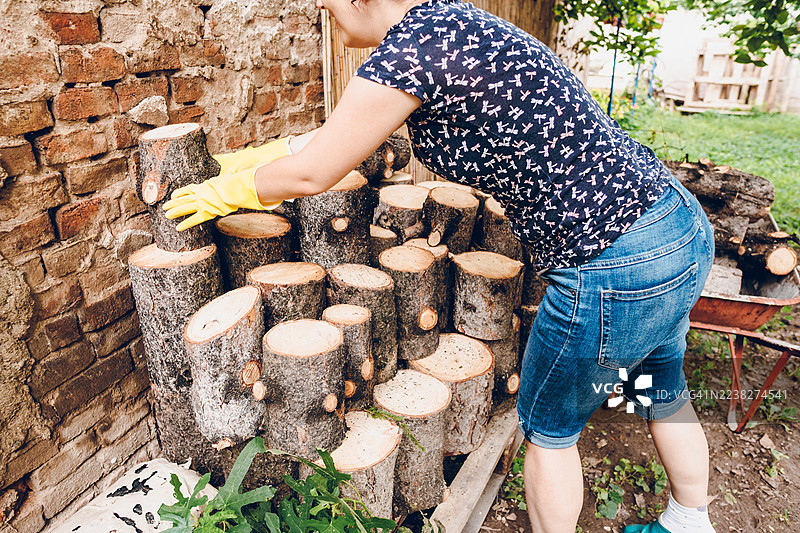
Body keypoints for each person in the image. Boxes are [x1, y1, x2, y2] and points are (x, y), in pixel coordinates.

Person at [163, 1, 717, 531]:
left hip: (613, 262)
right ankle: (690, 521)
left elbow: (313, 174)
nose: (321, 8)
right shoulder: (449, 26)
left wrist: (228, 191)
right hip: (675, 229)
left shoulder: (410, 51)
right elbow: (334, 138)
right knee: (663, 389)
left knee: (549, 431)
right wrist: (250, 159)